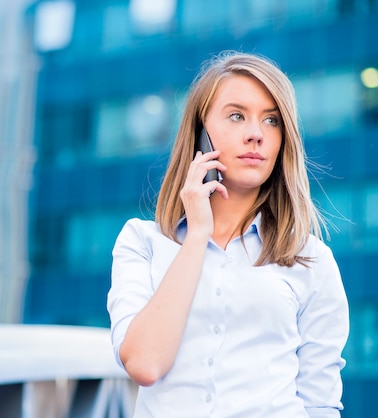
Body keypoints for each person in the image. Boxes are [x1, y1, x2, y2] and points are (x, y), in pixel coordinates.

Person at [106, 51, 349, 417]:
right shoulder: (142, 243)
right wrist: (197, 234)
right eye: (237, 116)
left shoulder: (311, 259)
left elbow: (320, 402)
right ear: (200, 134)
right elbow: (144, 364)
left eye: (272, 120)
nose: (256, 135)